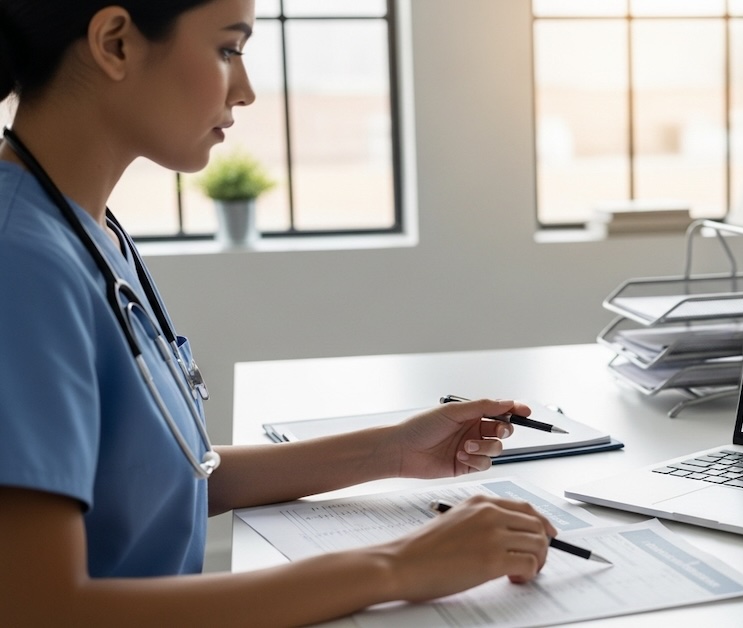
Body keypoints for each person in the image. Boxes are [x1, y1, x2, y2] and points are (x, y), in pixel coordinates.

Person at [0, 0, 557, 623]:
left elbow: (167, 478)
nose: (247, 91)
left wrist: (394, 451)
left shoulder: (83, 230)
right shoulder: (20, 264)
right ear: (116, 43)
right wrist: (397, 567)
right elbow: (38, 609)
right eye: (227, 49)